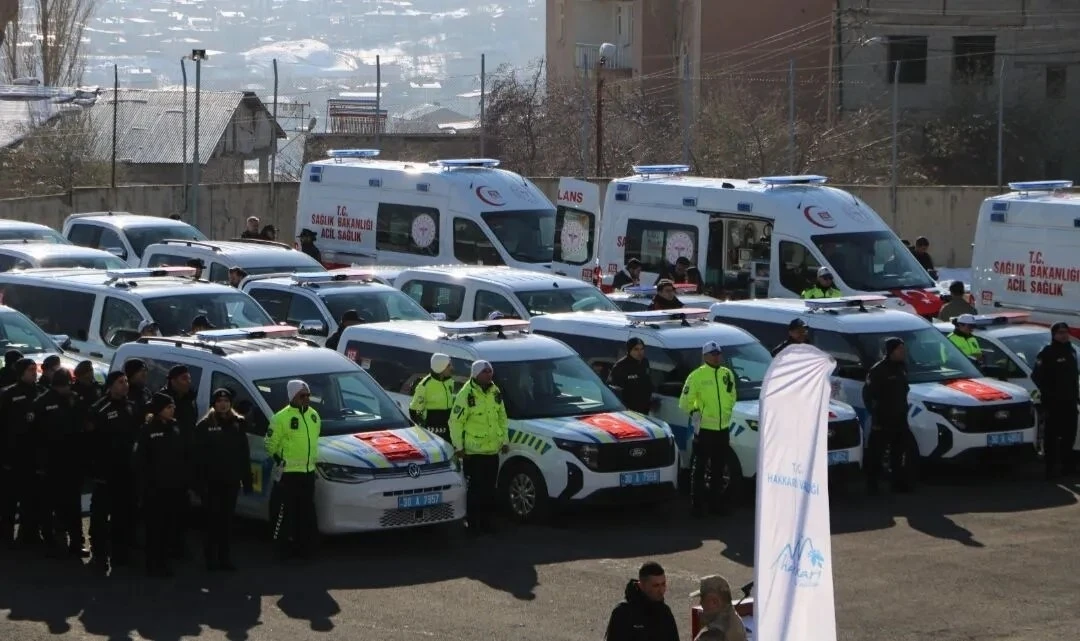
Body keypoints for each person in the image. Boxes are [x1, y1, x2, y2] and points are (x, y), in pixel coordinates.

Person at [193, 388, 253, 571]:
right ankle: (210, 559)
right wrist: (198, 484)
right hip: (210, 483)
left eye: (226, 401)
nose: (223, 404)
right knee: (212, 522)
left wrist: (247, 480)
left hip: (231, 482)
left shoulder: (238, 423)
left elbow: (244, 454)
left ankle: (225, 558)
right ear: (214, 403)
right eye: (219, 401)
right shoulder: (204, 425)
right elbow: (197, 458)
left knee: (227, 522)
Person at [449, 360, 509, 533]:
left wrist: (504, 441)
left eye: (490, 371)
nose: (489, 374)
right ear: (476, 374)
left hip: (492, 451)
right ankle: (473, 524)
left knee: (490, 489)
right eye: (485, 372)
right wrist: (458, 447)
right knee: (475, 490)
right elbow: (455, 422)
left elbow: (502, 417)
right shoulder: (466, 394)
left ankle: (487, 522)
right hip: (473, 453)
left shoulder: (495, 391)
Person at [88, 371, 139, 574]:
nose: (125, 385)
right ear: (110, 385)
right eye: (120, 382)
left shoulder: (132, 407)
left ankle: (120, 554)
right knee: (100, 516)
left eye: (126, 381)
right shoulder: (99, 409)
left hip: (126, 472)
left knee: (123, 515)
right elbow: (90, 443)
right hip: (105, 473)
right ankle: (99, 554)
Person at [679, 342, 738, 517]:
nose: (716, 356)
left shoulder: (726, 374)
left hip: (722, 429)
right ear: (705, 356)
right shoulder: (696, 376)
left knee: (719, 468)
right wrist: (695, 412)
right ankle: (697, 506)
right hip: (704, 430)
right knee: (700, 469)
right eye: (713, 354)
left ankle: (715, 505)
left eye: (718, 353)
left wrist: (727, 411)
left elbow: (732, 395)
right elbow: (684, 401)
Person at [266, 379, 321, 560]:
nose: (306, 399)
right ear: (293, 396)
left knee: (306, 513)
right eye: (302, 395)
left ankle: (305, 549)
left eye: (308, 395)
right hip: (289, 474)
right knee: (285, 513)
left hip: (308, 472)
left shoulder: (314, 416)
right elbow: (269, 444)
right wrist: (279, 460)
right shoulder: (280, 418)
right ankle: (281, 550)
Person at [35, 368, 87, 559]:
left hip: (71, 463)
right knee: (48, 506)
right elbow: (35, 436)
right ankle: (50, 543)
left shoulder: (74, 400)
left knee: (73, 506)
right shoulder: (43, 403)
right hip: (51, 464)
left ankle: (76, 542)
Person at [134, 393, 186, 578]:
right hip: (154, 488)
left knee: (168, 526)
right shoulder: (147, 431)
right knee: (154, 528)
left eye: (173, 406)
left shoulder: (175, 427)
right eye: (168, 407)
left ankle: (164, 561)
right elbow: (141, 461)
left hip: (173, 486)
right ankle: (153, 563)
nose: (172, 409)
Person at [0, 358, 45, 546]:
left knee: (31, 498)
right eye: (30, 370)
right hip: (12, 455)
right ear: (20, 372)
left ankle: (29, 535)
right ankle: (5, 536)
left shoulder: (41, 393)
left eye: (35, 369)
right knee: (8, 500)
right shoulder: (8, 394)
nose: (34, 373)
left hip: (33, 456)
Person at [863, 337, 913, 494]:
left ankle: (897, 483)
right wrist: (876, 418)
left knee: (899, 453)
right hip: (883, 419)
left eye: (903, 349)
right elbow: (868, 396)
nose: (903, 352)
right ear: (891, 351)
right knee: (876, 453)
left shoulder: (902, 367)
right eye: (899, 349)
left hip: (900, 418)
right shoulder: (878, 370)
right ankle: (872, 485)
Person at [1032, 322, 1079, 481]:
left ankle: (1067, 466)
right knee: (1051, 437)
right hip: (1053, 403)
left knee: (1069, 435)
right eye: (1060, 332)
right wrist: (1050, 394)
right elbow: (1036, 376)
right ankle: (1050, 469)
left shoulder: (1071, 351)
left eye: (1066, 332)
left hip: (1070, 402)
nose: (1064, 335)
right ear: (1053, 334)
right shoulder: (1047, 352)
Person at [160, 364, 199, 559]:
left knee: (183, 508)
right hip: (167, 463)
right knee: (166, 509)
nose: (188, 382)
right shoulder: (164, 401)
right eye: (184, 379)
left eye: (189, 378)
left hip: (186, 461)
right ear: (173, 381)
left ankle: (179, 546)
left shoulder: (190, 399)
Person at [604, 561, 679, 641]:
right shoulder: (623, 613)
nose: (661, 591)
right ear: (641, 586)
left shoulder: (665, 612)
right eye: (656, 586)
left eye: (663, 584)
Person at [409, 353, 456, 443]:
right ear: (441, 367)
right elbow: (413, 410)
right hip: (432, 432)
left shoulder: (450, 381)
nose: (452, 368)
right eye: (449, 365)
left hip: (448, 430)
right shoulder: (424, 385)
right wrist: (421, 433)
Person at [691, 575, 747, 641]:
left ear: (715, 602)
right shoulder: (733, 617)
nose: (700, 603)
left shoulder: (711, 635)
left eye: (703, 599)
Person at [608, 338, 654, 414]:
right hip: (628, 411)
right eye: (636, 349)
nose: (640, 352)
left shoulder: (645, 362)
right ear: (629, 350)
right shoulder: (621, 366)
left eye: (642, 349)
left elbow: (647, 381)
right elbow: (612, 390)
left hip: (644, 409)